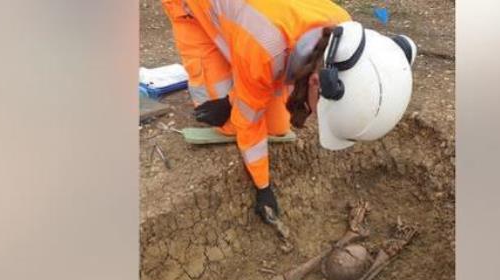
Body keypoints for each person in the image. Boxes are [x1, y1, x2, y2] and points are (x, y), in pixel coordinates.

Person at [162, 0, 416, 223]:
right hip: (194, 11)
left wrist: (239, 96)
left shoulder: (343, 32)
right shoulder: (265, 50)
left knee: (277, 127)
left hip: (253, 31)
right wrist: (263, 186)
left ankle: (239, 84)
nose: (314, 116)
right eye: (319, 111)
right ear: (316, 82)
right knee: (230, 125)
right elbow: (249, 124)